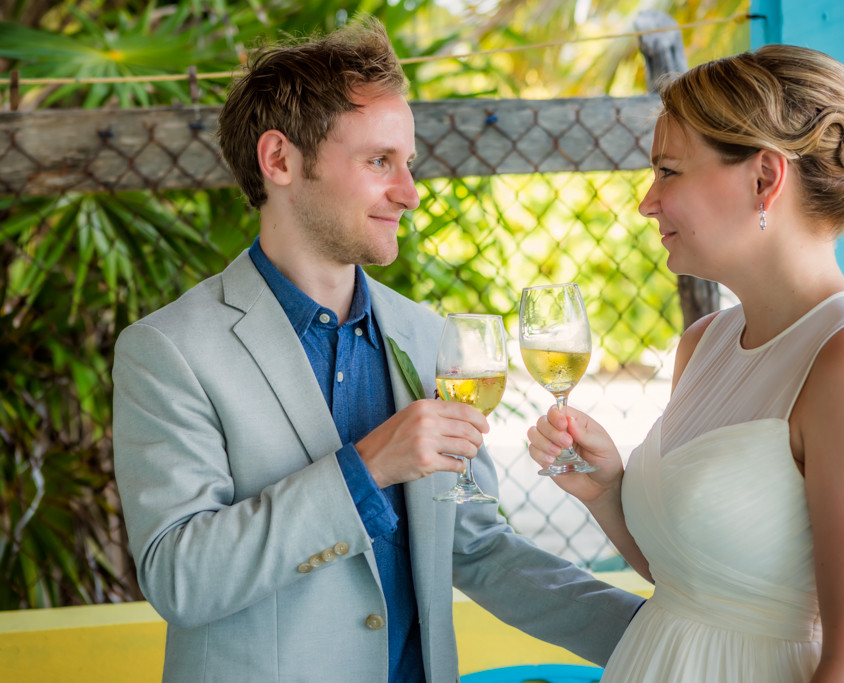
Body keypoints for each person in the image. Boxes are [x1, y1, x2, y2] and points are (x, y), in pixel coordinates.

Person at [112, 16, 643, 683]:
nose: (410, 193)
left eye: (408, 163)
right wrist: (364, 468)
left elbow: (478, 549)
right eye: (378, 162)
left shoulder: (428, 337)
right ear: (279, 160)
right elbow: (182, 578)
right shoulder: (168, 350)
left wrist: (662, 635)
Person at [527, 45, 844, 683]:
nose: (647, 201)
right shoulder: (704, 343)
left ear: (764, 179)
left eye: (668, 171)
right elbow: (701, 583)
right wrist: (608, 491)